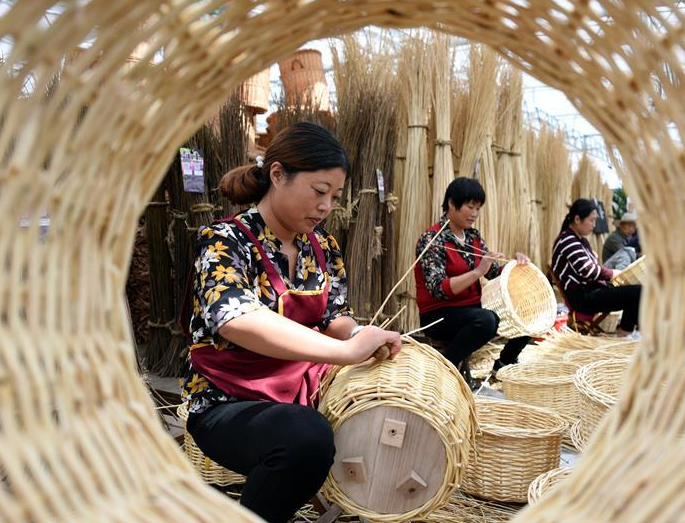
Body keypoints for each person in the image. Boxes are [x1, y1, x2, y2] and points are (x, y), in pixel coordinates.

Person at [180, 122, 402, 523]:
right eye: (319, 191)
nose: (326, 206)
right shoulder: (225, 240)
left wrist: (360, 335)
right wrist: (344, 352)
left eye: (335, 197)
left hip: (299, 395)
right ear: (278, 174)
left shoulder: (323, 247)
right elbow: (235, 318)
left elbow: (334, 316)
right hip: (228, 402)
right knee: (305, 439)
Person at [414, 177, 531, 388]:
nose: (474, 213)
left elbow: (493, 272)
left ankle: (503, 364)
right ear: (451, 203)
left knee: (525, 314)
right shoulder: (432, 239)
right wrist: (477, 272)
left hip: (471, 310)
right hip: (439, 315)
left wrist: (517, 265)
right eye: (470, 206)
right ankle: (446, 369)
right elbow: (439, 289)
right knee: (485, 320)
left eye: (478, 208)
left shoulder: (473, 238)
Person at [552, 198, 641, 337]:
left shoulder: (579, 240)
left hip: (591, 290)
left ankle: (625, 334)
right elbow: (588, 270)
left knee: (637, 291)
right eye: (591, 220)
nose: (594, 225)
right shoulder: (568, 240)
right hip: (583, 298)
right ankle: (624, 336)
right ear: (577, 219)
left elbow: (590, 267)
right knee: (638, 292)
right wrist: (612, 273)